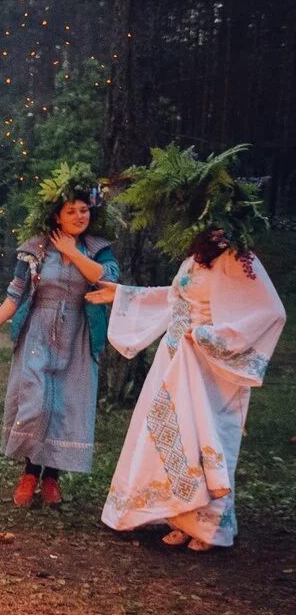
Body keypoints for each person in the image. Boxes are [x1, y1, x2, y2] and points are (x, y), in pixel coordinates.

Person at [87, 144, 285, 551]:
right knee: (169, 436)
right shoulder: (195, 260)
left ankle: (210, 525)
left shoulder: (237, 258)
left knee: (206, 436)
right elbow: (176, 298)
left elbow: (269, 310)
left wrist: (214, 336)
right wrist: (122, 294)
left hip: (210, 367)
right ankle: (178, 514)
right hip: (175, 360)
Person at [0, 163, 119, 507]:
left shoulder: (97, 248)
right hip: (38, 330)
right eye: (71, 211)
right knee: (35, 401)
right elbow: (14, 295)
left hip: (78, 334)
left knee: (65, 404)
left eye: (84, 210)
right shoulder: (35, 249)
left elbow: (108, 281)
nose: (80, 216)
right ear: (57, 216)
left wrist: (71, 252)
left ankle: (52, 478)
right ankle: (28, 473)